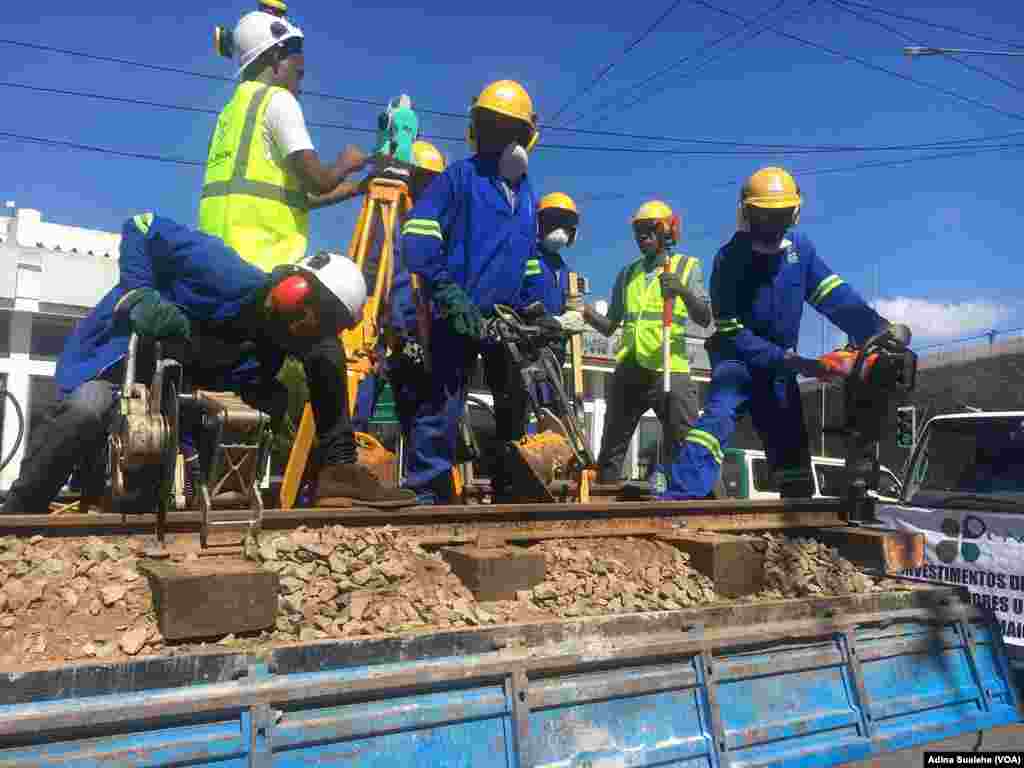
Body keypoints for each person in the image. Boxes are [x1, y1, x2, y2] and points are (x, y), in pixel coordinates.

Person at [0, 213, 415, 515]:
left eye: (327, 325)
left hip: (177, 395)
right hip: (119, 364)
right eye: (317, 317)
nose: (313, 329)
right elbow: (143, 224)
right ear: (293, 290)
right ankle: (20, 511)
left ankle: (340, 471)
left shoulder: (291, 338)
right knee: (87, 409)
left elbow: (308, 360)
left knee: (144, 501)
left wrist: (266, 396)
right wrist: (142, 294)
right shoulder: (223, 273)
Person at [656, 166, 910, 500]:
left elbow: (833, 296)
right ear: (747, 214)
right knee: (718, 418)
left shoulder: (800, 251)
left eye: (779, 218)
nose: (771, 226)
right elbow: (732, 331)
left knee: (788, 438)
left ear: (794, 214)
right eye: (764, 217)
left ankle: (798, 513)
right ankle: (679, 498)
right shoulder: (729, 260)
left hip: (781, 368)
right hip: (737, 362)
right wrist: (795, 363)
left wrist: (878, 330)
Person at [399, 79, 541, 504]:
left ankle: (512, 489)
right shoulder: (458, 178)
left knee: (515, 406)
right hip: (457, 314)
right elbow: (416, 238)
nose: (500, 141)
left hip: (505, 321)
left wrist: (536, 308)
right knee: (441, 406)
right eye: (492, 128)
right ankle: (428, 492)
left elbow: (528, 257)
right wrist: (447, 291)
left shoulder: (526, 194)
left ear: (524, 138)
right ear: (478, 130)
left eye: (509, 132)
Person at [199, 8, 369, 273]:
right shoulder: (278, 100)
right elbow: (318, 181)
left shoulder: (228, 114)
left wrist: (357, 188)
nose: (300, 85)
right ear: (277, 58)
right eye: (298, 73)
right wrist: (346, 163)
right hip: (261, 268)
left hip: (214, 266)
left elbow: (296, 197)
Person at [583, 200, 711, 485]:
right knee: (612, 447)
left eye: (650, 229)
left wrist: (681, 290)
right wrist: (584, 312)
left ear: (668, 230)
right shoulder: (627, 274)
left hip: (669, 366)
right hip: (630, 369)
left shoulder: (687, 267)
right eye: (638, 231)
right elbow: (609, 326)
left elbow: (704, 317)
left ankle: (701, 501)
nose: (643, 236)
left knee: (686, 442)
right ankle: (603, 508)